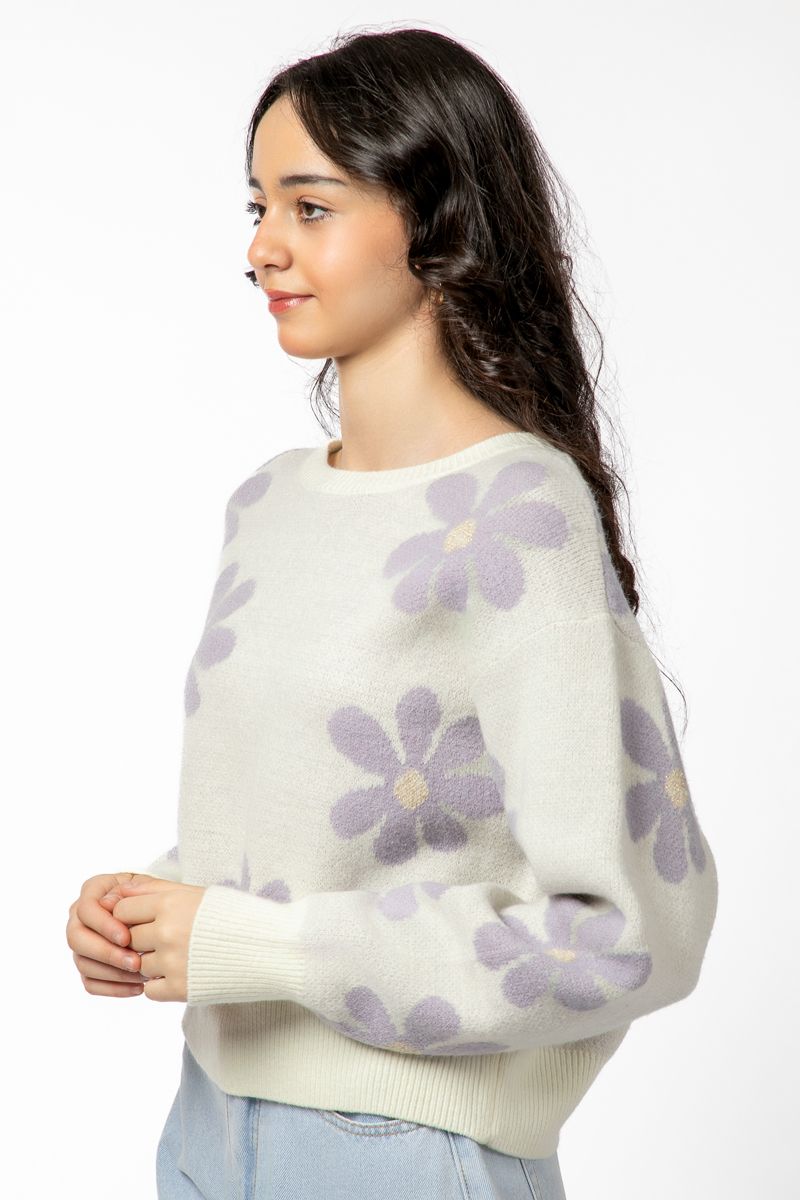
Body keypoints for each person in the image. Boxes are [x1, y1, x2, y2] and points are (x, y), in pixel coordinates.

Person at [65, 25, 718, 1199]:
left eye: (309, 207)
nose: (262, 246)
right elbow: (306, 842)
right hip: (204, 1129)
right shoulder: (267, 505)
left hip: (400, 1153)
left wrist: (250, 943)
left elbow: (626, 931)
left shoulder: (516, 514)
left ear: (438, 224)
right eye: (258, 206)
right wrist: (156, 906)